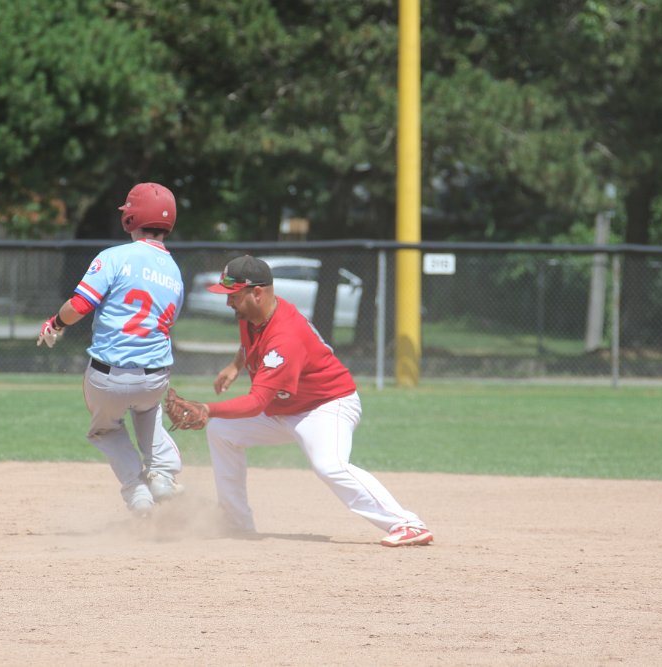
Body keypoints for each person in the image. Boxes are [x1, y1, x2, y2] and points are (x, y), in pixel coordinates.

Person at [167, 255, 433, 547]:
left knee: (329, 465)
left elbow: (256, 402)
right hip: (284, 406)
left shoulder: (286, 336)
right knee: (222, 431)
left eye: (234, 295)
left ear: (258, 292)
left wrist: (207, 408)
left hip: (325, 406)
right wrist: (235, 365)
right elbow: (250, 343)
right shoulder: (254, 314)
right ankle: (235, 521)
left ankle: (407, 523)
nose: (229, 302)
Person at [37, 182, 185, 518]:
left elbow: (79, 306)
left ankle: (137, 492)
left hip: (108, 378)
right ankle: (163, 474)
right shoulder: (175, 272)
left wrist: (55, 324)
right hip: (154, 377)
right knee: (148, 410)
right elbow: (167, 323)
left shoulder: (114, 257)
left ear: (131, 218)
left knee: (105, 428)